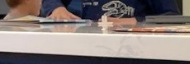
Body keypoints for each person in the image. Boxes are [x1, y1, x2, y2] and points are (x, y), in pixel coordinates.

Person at [41, 0, 178, 21]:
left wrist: (136, 22)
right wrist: (56, 8)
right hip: (89, 48)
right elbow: (49, 1)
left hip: (137, 51)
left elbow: (172, 17)